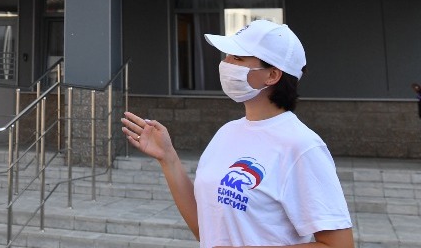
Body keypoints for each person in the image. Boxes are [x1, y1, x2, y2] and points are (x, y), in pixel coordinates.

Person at [121, 19, 353, 248]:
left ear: (272, 75)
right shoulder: (226, 133)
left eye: (238, 58)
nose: (226, 63)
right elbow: (206, 229)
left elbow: (340, 245)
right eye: (228, 55)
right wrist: (168, 158)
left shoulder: (302, 146)